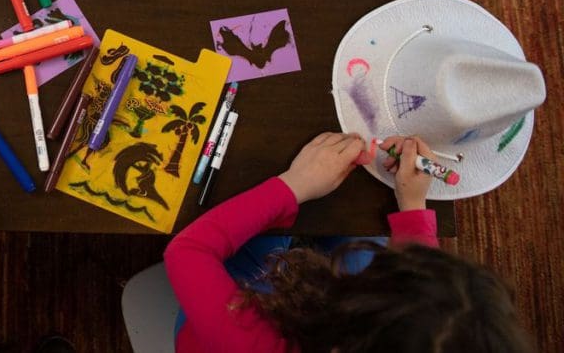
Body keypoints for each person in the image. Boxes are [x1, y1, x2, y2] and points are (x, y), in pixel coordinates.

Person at [163, 132, 532, 352]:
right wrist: (413, 204)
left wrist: (294, 185)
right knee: (362, 225)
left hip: (222, 329)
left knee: (261, 235)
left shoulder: (254, 343)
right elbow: (429, 305)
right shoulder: (424, 333)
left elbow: (188, 252)